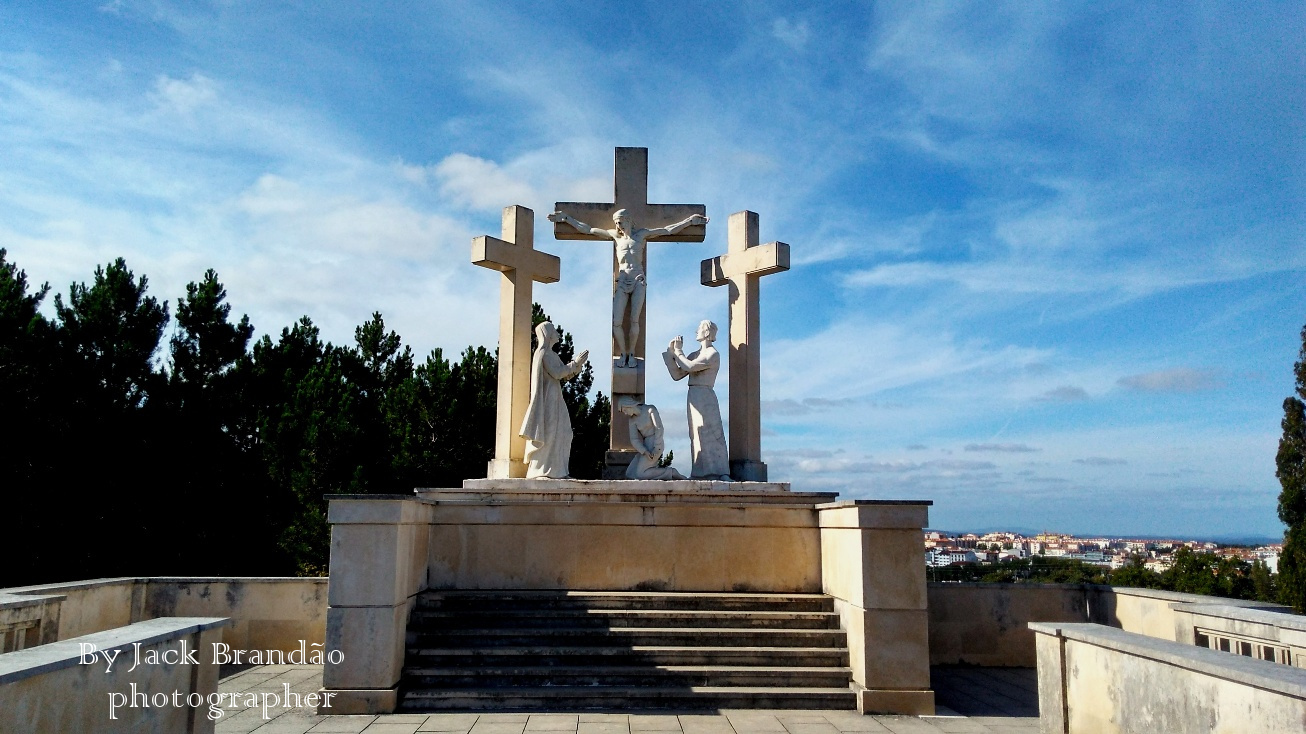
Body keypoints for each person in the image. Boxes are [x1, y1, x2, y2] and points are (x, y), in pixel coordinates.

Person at [548, 208, 708, 368]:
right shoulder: (615, 236)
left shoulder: (641, 235)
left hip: (638, 279)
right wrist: (566, 218)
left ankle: (631, 353)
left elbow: (667, 230)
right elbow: (589, 230)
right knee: (617, 322)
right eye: (616, 222)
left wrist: (689, 222)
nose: (618, 225)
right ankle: (623, 352)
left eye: (620, 221)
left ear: (628, 220)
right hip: (623, 281)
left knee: (634, 320)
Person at [519, 322, 589, 478]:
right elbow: (558, 373)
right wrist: (575, 363)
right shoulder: (543, 353)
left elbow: (564, 374)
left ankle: (557, 470)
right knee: (550, 433)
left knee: (564, 432)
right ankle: (542, 469)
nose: (558, 333)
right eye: (555, 331)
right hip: (548, 401)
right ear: (548, 334)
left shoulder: (551, 354)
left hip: (555, 398)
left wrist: (577, 366)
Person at [664, 320, 731, 480]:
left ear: (707, 332)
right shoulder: (695, 354)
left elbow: (690, 367)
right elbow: (677, 374)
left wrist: (679, 352)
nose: (696, 331)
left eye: (700, 328)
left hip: (705, 395)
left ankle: (719, 472)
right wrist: (671, 354)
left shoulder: (712, 354)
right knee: (696, 434)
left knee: (711, 432)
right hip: (693, 395)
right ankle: (700, 472)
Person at [617, 396, 686, 480]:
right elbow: (634, 440)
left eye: (625, 410)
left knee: (640, 474)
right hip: (646, 446)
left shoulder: (650, 410)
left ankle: (671, 472)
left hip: (656, 442)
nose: (625, 413)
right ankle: (669, 473)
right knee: (631, 472)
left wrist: (657, 447)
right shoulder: (632, 420)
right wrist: (645, 451)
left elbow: (659, 428)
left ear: (629, 405)